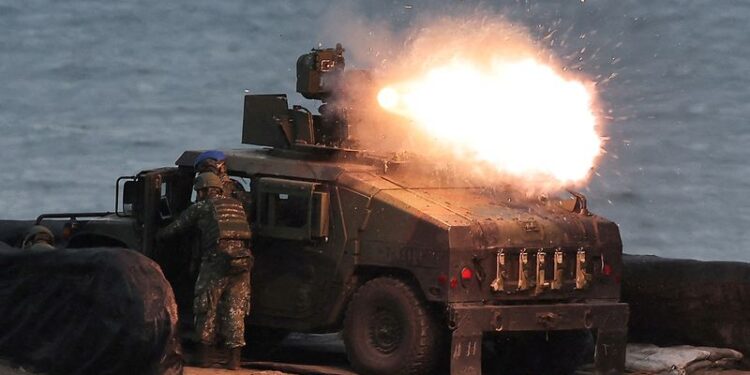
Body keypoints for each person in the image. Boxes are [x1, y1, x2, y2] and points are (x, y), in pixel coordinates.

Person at [156, 172, 253, 370]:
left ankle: (205, 358)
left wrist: (157, 234)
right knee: (235, 309)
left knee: (206, 307)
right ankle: (233, 361)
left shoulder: (202, 207)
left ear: (203, 191)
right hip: (242, 261)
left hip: (216, 261)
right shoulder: (237, 205)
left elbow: (175, 228)